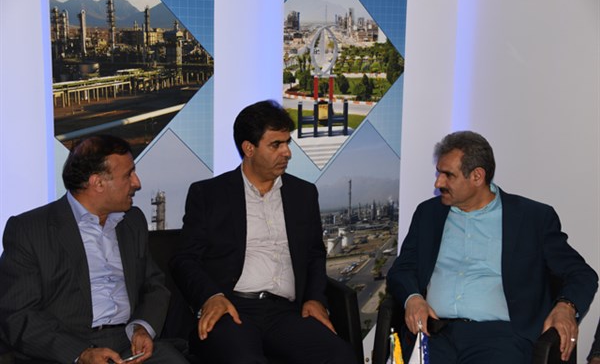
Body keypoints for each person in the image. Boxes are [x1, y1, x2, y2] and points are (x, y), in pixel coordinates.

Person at [170, 100, 357, 364]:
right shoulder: (210, 194)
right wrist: (211, 297)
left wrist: (315, 299)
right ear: (249, 148)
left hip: (286, 312)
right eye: (276, 144)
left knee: (340, 356)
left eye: (287, 143)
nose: (287, 152)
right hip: (231, 308)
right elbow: (184, 259)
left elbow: (315, 254)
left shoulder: (303, 194)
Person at [387, 130, 598, 364]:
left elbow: (582, 274)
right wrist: (413, 298)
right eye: (439, 173)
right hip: (434, 334)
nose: (438, 183)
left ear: (477, 176)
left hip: (499, 339)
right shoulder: (428, 213)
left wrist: (566, 306)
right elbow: (402, 269)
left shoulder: (532, 218)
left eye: (448, 175)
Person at [0, 135, 188, 364]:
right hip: (64, 350)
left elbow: (153, 285)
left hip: (129, 344)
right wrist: (80, 353)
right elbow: (18, 314)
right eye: (128, 175)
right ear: (98, 183)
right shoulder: (30, 230)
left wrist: (141, 327)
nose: (137, 183)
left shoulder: (132, 221)